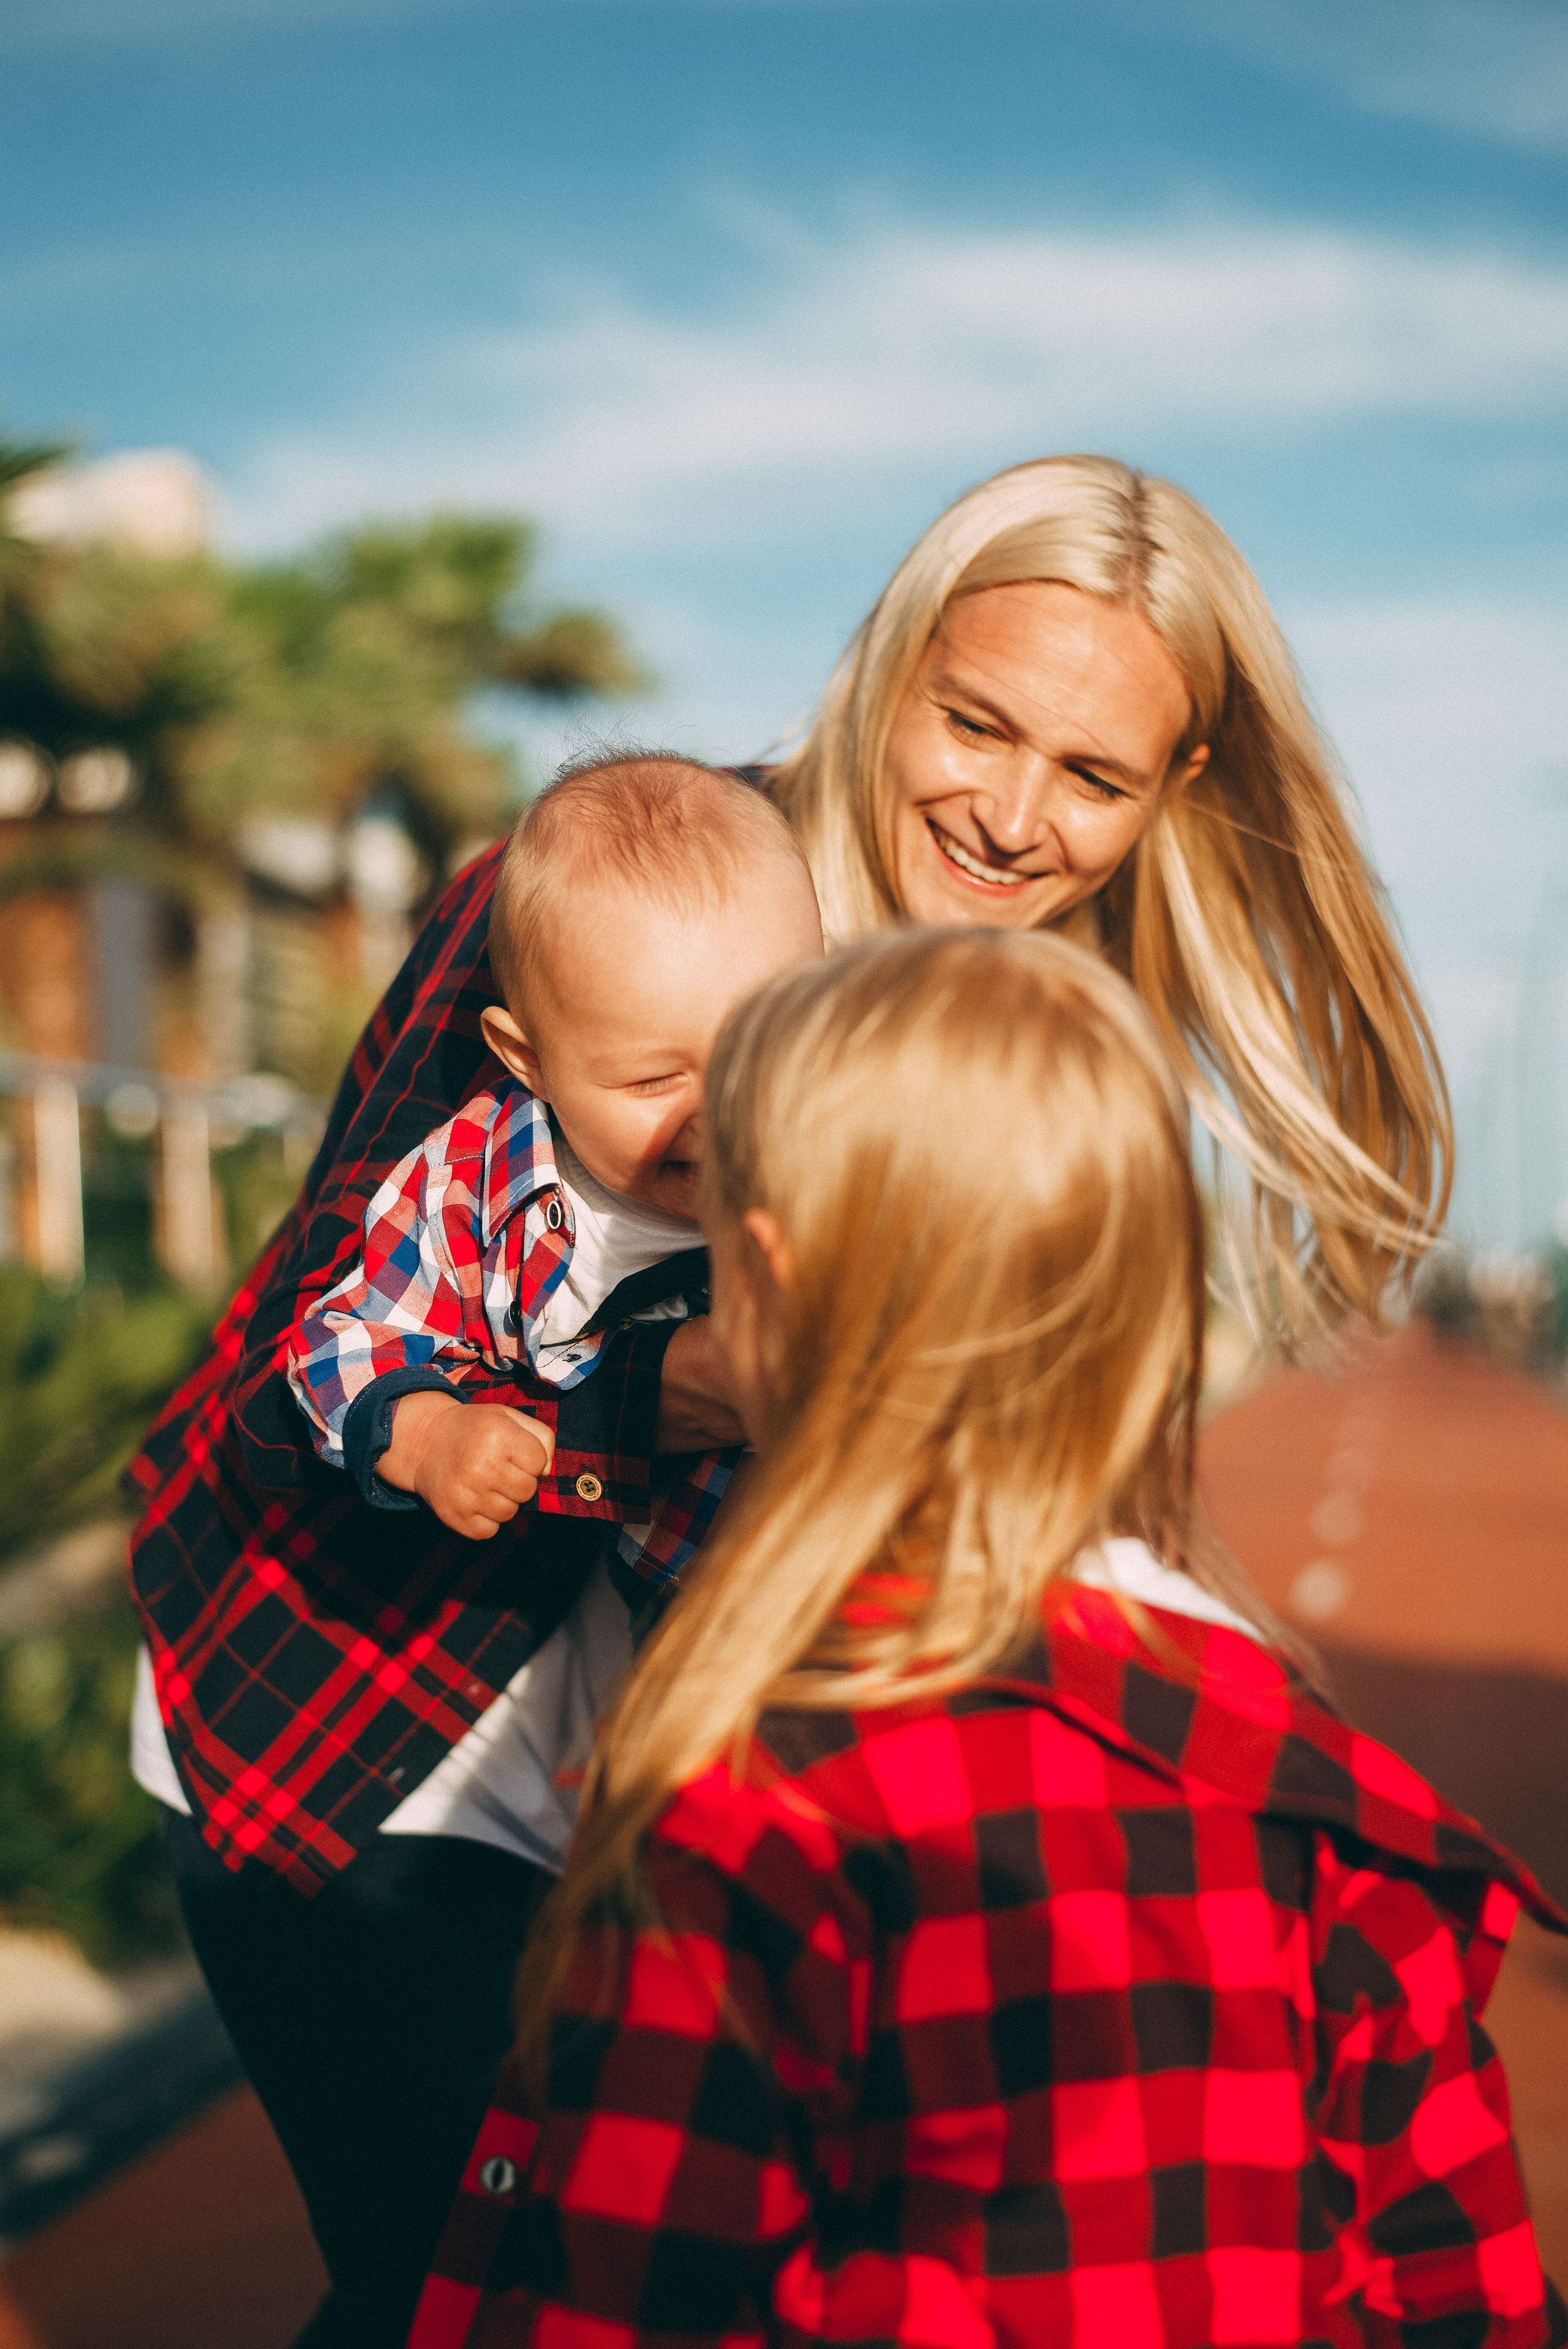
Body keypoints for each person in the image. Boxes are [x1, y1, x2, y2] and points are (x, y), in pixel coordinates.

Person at [124, 455, 1450, 2340]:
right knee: (469, 2285)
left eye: (1090, 775)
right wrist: (661, 1398)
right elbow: (305, 1365)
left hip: (677, 1788)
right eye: (976, 723)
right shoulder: (607, 882)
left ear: (1176, 795)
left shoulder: (1040, 1031)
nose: (1007, 813)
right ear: (891, 668)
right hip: (357, 1741)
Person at [413, 929, 1563, 2349]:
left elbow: (625, 2298)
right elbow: (1470, 2296)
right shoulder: (1324, 1799)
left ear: (763, 1286)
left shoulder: (741, 1802)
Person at [128, 752, 822, 2348]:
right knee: (452, 2260)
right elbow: (333, 1345)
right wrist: (434, 1428)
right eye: (653, 1076)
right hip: (397, 1756)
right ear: (524, 1053)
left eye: (760, 1049)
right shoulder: (493, 1177)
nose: (713, 1115)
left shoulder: (829, 1174)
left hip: (666, 1763)